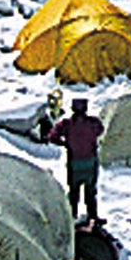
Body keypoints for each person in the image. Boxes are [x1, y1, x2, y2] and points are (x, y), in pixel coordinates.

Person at [48, 97, 104, 227]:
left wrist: (65, 143)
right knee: (90, 192)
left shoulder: (66, 124)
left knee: (74, 192)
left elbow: (52, 137)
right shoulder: (93, 123)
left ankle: (71, 218)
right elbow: (100, 130)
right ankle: (93, 217)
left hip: (74, 163)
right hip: (90, 162)